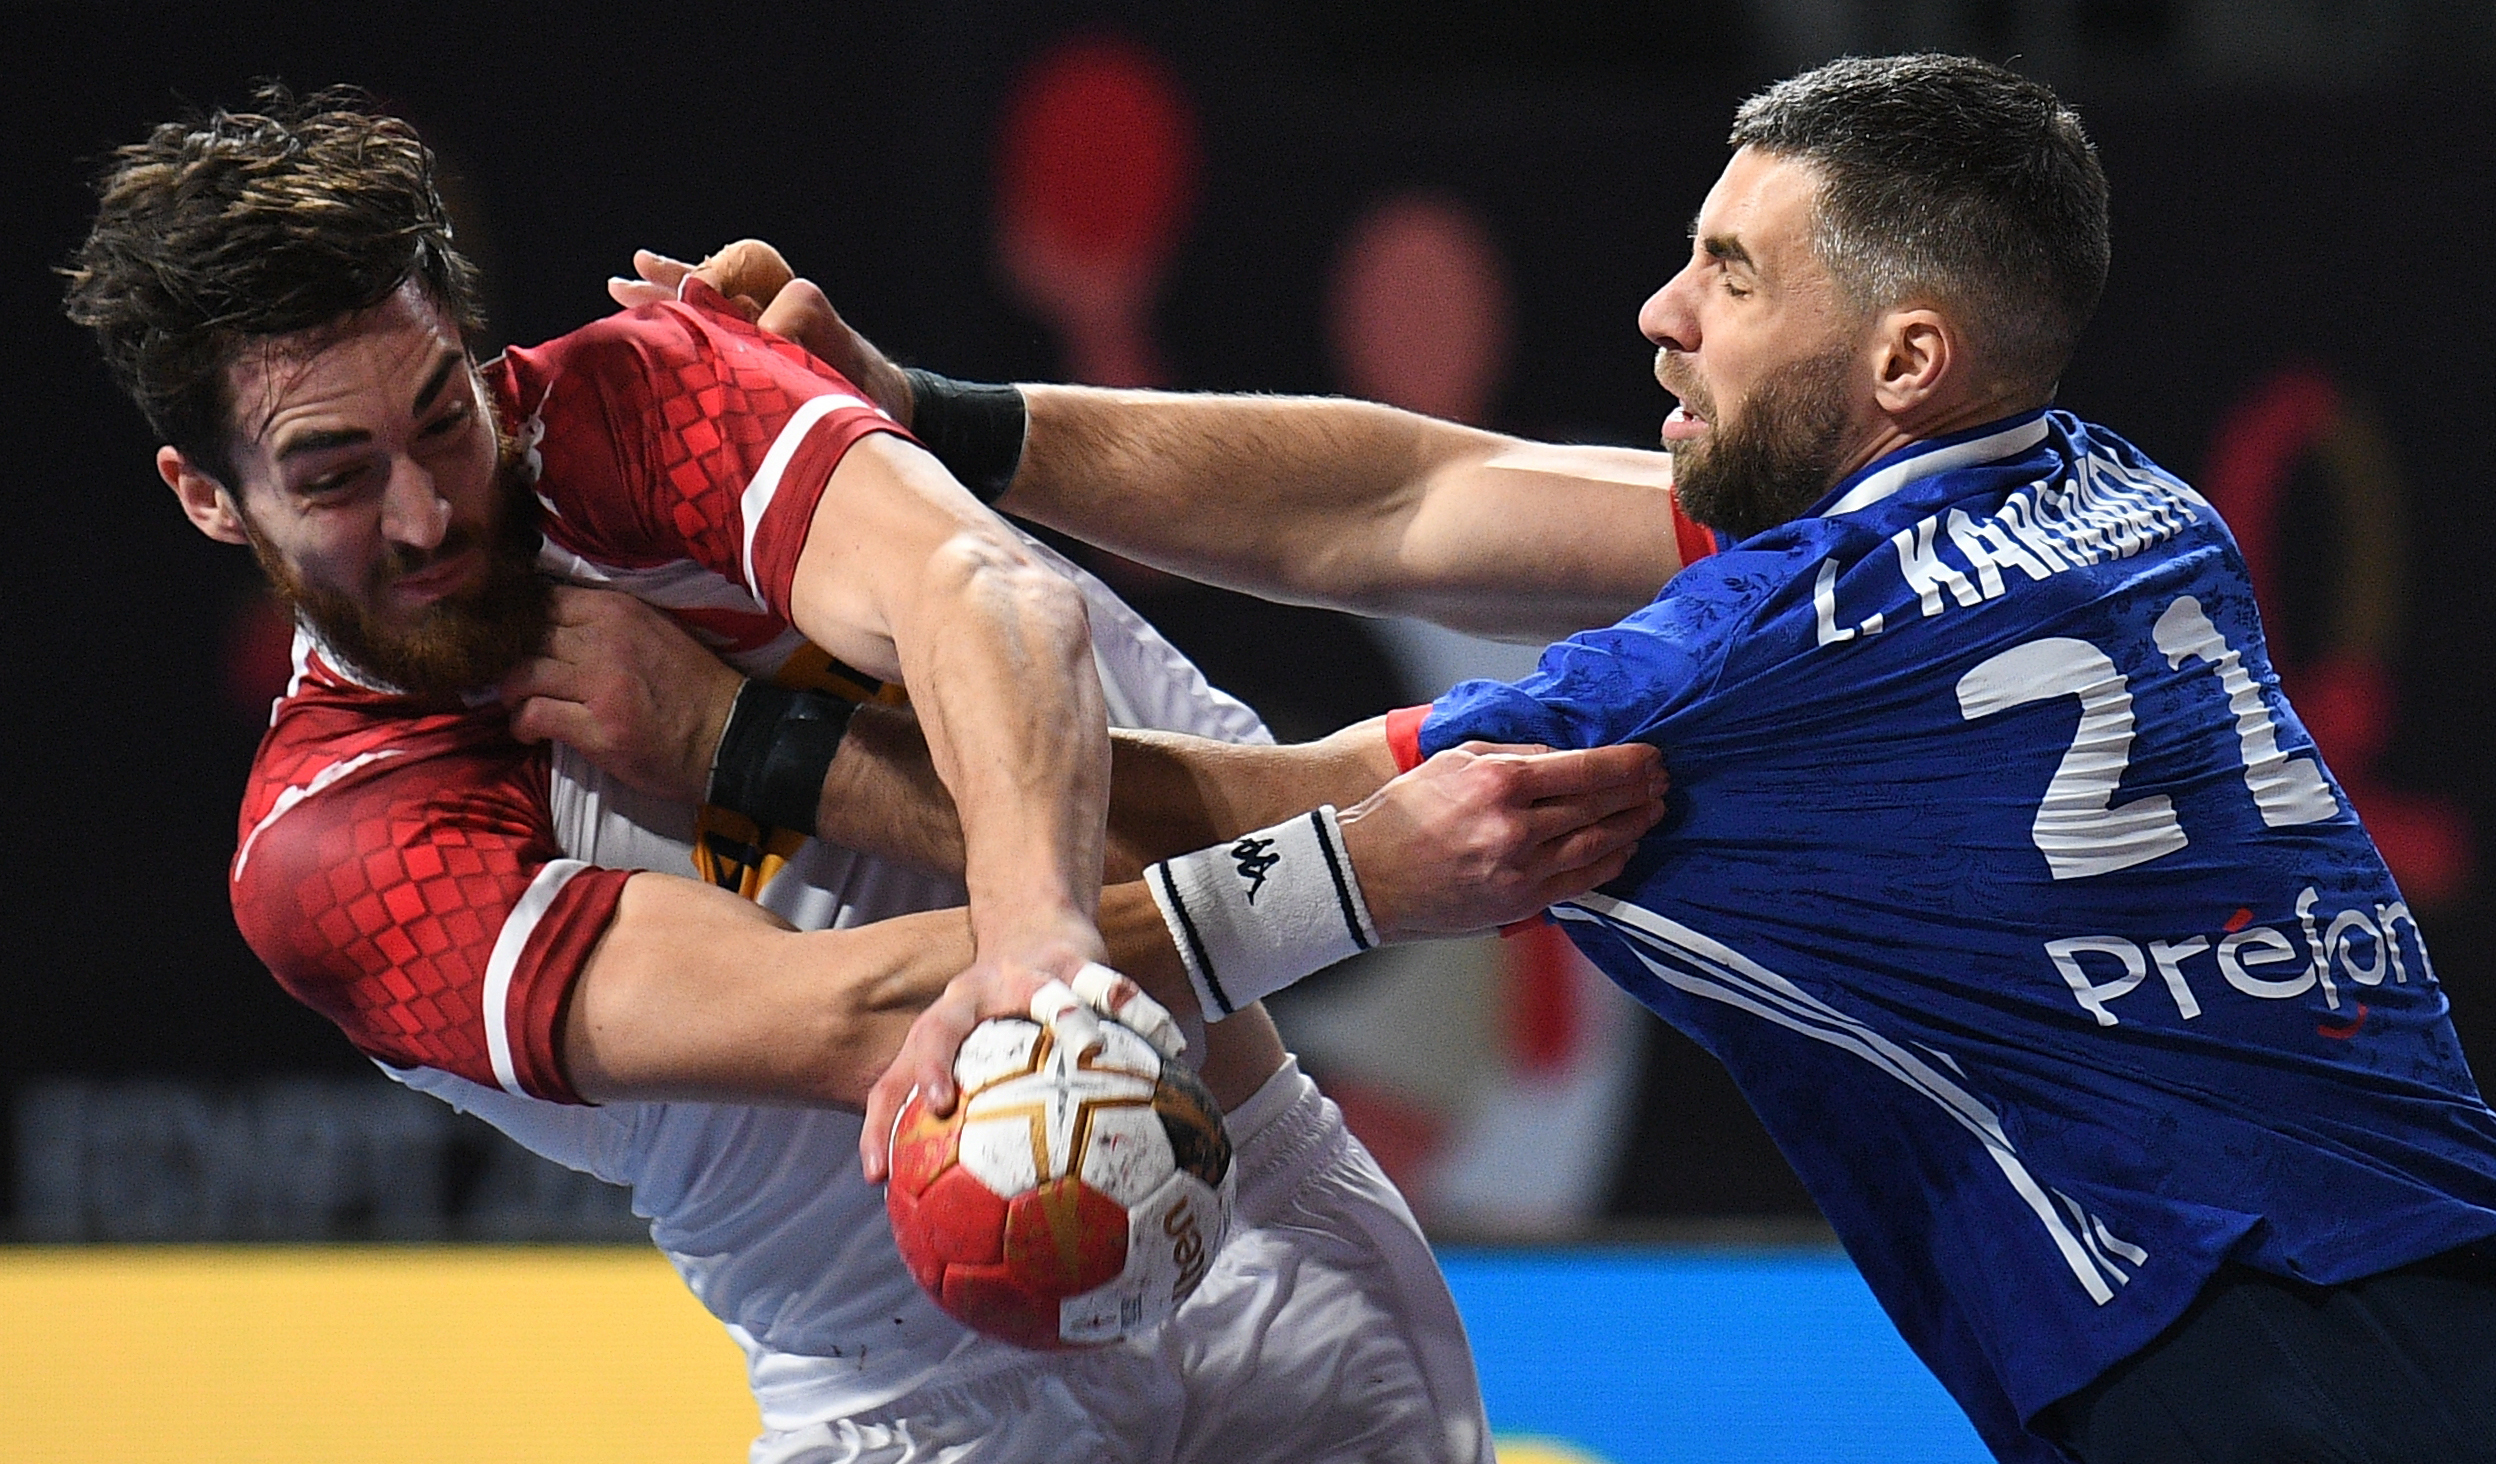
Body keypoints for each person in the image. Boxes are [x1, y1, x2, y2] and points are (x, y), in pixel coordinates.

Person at [709, 53, 2496, 1464]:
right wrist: (927, 416)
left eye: (1732, 273)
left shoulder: (1761, 663)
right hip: (2426, 1273)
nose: (1663, 309)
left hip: (2255, 1358)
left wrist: (737, 736)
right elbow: (1412, 497)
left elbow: (1235, 812)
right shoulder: (2125, 497)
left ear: (1904, 359)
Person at [61, 91, 1670, 1464]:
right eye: (337, 475)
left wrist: (1035, 935)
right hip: (912, 1395)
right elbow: (859, 1022)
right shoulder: (333, 849)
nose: (425, 511)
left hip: (1247, 1217)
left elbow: (983, 592)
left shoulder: (638, 398)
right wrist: (1347, 874)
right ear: (208, 497)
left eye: (443, 418)